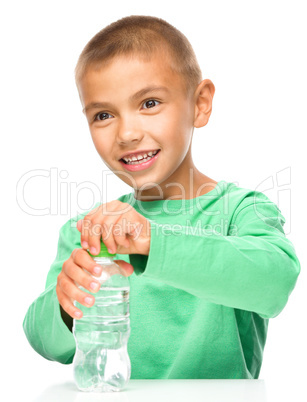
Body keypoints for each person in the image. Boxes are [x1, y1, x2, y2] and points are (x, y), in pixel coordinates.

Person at [23, 15, 301, 379]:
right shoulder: (90, 229)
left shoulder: (241, 211)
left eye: (150, 103)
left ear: (199, 104)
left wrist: (155, 242)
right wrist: (62, 304)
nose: (126, 133)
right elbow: (46, 343)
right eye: (103, 114)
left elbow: (274, 282)